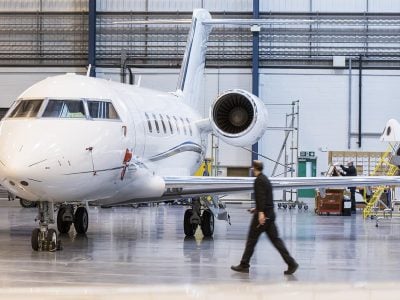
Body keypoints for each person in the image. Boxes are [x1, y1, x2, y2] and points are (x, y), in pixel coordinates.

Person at [231, 160, 298, 275]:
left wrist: (260, 213)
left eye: (252, 168)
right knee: (276, 241)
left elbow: (261, 197)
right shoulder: (265, 179)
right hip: (270, 215)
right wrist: (257, 209)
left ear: (254, 168)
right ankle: (291, 263)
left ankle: (244, 264)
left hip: (263, 217)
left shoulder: (259, 181)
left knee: (251, 239)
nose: (251, 170)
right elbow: (266, 198)